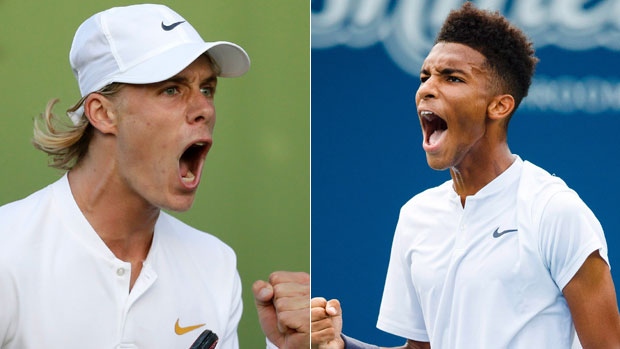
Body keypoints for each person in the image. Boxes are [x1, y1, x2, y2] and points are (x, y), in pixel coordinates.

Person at [311, 2, 620, 348]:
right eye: (425, 76)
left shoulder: (554, 210)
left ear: (499, 106)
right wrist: (341, 345)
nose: (427, 88)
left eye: (452, 78)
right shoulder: (416, 215)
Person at [0, 4, 309, 349]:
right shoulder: (7, 251)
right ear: (102, 113)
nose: (204, 108)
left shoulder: (215, 265)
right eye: (172, 89)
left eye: (207, 89)